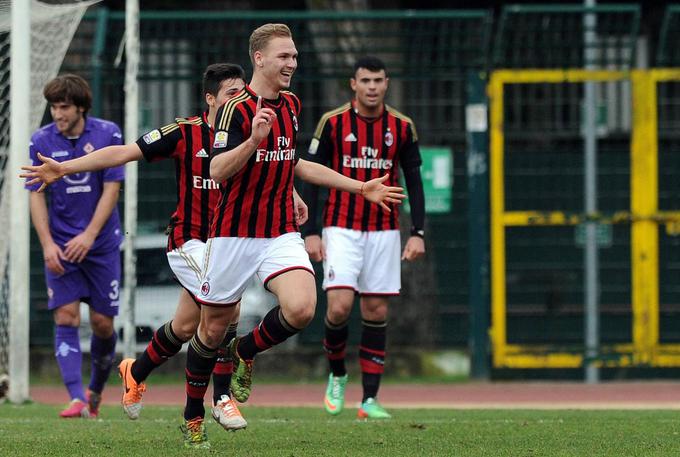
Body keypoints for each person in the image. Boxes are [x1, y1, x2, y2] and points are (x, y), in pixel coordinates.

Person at [21, 65, 308, 434]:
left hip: (232, 241)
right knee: (227, 307)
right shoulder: (185, 132)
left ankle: (135, 371)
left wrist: (294, 194)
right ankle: (221, 399)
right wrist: (65, 168)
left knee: (187, 326)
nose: (239, 98)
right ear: (210, 99)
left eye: (242, 91)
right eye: (230, 92)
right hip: (191, 240)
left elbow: (277, 170)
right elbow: (124, 152)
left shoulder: (255, 126)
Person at [180, 23, 405, 448]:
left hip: (279, 230)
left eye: (295, 56)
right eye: (285, 56)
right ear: (259, 59)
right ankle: (194, 414)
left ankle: (245, 350)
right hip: (232, 234)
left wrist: (360, 187)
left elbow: (294, 161)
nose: (292, 64)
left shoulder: (292, 103)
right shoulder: (234, 109)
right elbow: (216, 170)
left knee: (302, 309)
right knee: (210, 331)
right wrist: (252, 141)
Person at [301, 56, 426, 419]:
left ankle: (369, 400)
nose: (372, 86)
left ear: (387, 84)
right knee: (339, 306)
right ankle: (338, 375)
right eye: (365, 80)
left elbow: (414, 183)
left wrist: (417, 232)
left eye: (379, 80)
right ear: (353, 84)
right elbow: (311, 174)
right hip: (340, 227)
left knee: (376, 309)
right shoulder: (333, 122)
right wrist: (310, 232)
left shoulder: (402, 127)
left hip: (384, 231)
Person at [24, 74, 124, 418]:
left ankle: (95, 390)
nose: (57, 113)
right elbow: (36, 197)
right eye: (53, 106)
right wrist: (48, 244)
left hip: (101, 246)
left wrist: (89, 235)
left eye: (63, 106)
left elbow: (112, 188)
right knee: (66, 315)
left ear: (80, 107)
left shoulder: (107, 133)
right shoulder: (40, 140)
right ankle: (76, 397)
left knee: (102, 324)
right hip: (62, 247)